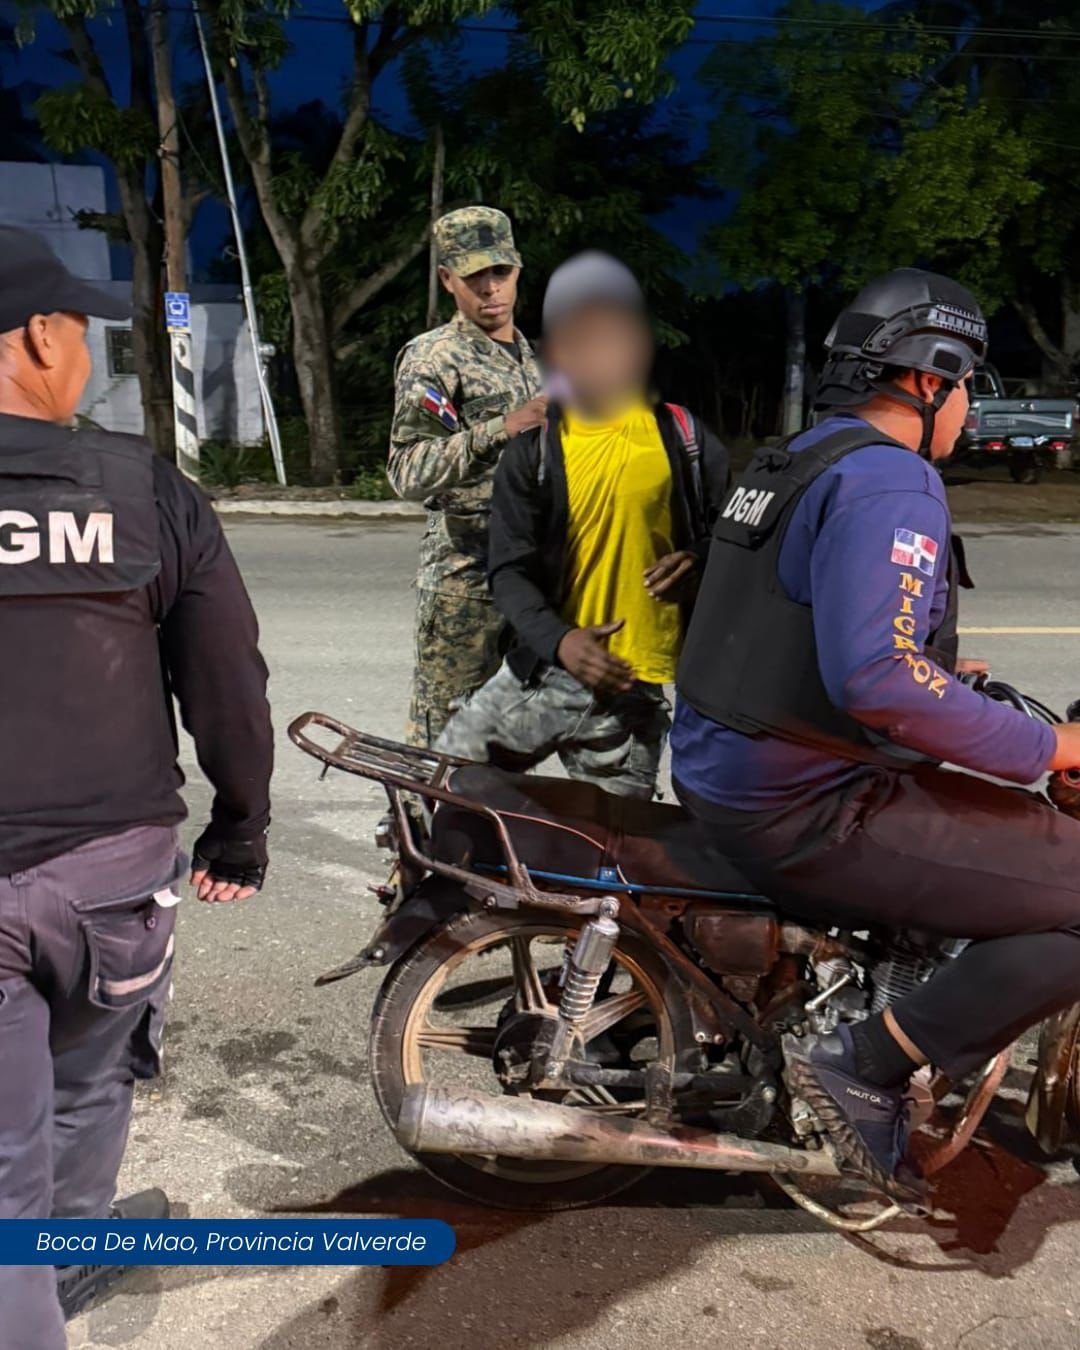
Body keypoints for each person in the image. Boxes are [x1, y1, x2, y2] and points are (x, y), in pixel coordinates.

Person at [672, 267, 1080, 1202]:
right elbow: (878, 678)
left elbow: (789, 629)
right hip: (806, 801)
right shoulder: (892, 480)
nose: (968, 409)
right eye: (968, 385)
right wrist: (1054, 748)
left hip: (724, 766)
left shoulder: (796, 458)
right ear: (931, 379)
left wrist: (947, 678)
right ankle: (867, 1064)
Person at [0, 226, 273, 1348]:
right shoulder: (141, 488)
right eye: (79, 331)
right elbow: (228, 681)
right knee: (86, 1087)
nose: (84, 354)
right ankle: (51, 1274)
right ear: (35, 337)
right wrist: (240, 829)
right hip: (108, 878)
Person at [436, 252, 728, 799]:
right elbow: (508, 570)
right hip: (543, 676)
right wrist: (561, 641)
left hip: (634, 693)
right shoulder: (535, 451)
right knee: (442, 790)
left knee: (611, 845)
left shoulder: (686, 439)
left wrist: (701, 558)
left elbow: (734, 540)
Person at [388, 205, 545, 747]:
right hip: (466, 585)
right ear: (447, 279)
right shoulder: (434, 358)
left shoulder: (533, 359)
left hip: (532, 576)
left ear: (517, 270)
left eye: (500, 271)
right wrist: (501, 428)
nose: (490, 288)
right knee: (447, 741)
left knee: (511, 738)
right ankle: (425, 808)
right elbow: (407, 471)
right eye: (474, 274)